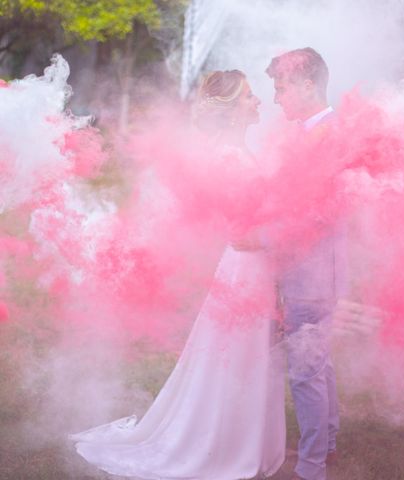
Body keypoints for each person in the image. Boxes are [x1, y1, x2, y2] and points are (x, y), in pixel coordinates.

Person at [70, 70, 286, 480]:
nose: (258, 102)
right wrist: (285, 232)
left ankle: (238, 438)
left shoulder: (239, 150)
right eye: (249, 97)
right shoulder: (230, 157)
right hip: (247, 265)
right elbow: (239, 230)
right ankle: (219, 443)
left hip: (254, 264)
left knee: (247, 355)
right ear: (231, 110)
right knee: (235, 357)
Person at [266, 47, 343, 480]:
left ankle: (312, 467)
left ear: (308, 85)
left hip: (312, 272)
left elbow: (316, 215)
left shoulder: (326, 137)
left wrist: (258, 237)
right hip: (311, 270)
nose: (276, 98)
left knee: (305, 371)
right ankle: (325, 444)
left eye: (281, 87)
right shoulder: (312, 132)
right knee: (319, 362)